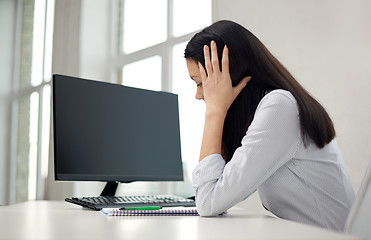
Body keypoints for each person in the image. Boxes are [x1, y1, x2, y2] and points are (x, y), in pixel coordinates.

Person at [184, 20, 354, 232]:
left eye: (201, 83)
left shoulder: (280, 107)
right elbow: (217, 193)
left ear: (230, 75)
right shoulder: (265, 111)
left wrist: (215, 111)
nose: (198, 95)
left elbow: (208, 202)